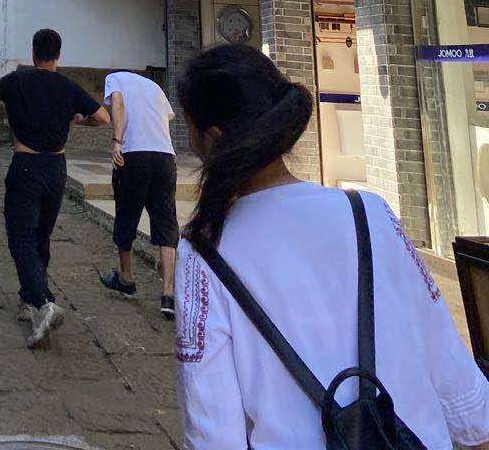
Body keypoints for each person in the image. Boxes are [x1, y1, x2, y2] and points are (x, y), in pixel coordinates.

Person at [174, 44, 489, 450]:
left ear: (214, 138)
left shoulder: (205, 253)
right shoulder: (370, 213)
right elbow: (457, 383)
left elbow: (213, 432)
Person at [0, 28, 110, 348]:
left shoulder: (19, 81)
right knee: (41, 236)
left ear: (34, 52)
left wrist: (7, 108)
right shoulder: (68, 86)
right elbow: (103, 117)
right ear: (58, 55)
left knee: (20, 237)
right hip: (56, 168)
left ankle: (43, 302)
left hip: (26, 165)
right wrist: (79, 121)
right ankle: (30, 299)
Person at [98, 68, 179, 317]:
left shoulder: (115, 79)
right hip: (165, 157)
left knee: (127, 215)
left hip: (134, 155)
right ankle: (168, 294)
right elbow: (169, 116)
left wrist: (117, 142)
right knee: (166, 220)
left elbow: (118, 105)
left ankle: (127, 278)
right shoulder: (155, 88)